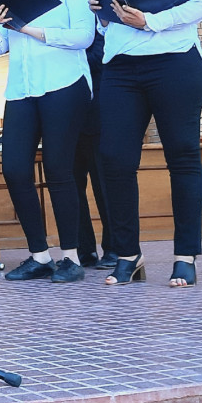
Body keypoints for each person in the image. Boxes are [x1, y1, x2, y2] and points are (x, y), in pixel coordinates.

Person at [91, 0, 202, 288]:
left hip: (174, 62)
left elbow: (199, 5)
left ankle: (185, 255)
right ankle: (128, 255)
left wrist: (151, 21)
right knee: (114, 159)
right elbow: (110, 24)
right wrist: (103, 15)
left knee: (182, 154)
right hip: (122, 68)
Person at [0, 0, 95, 285]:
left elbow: (84, 36)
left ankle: (72, 257)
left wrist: (28, 28)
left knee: (60, 171)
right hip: (21, 90)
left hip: (64, 84)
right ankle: (39, 255)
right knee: (14, 169)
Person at [74, 30, 116, 270]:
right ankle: (83, 250)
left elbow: (102, 55)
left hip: (99, 112)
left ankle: (114, 248)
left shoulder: (93, 20)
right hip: (66, 116)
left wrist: (65, 48)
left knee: (105, 185)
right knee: (71, 185)